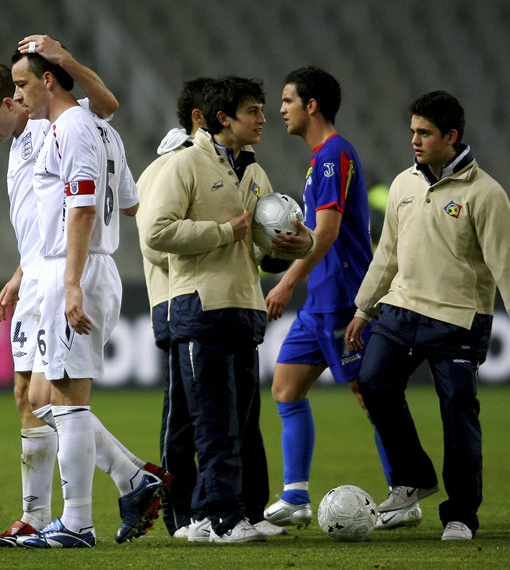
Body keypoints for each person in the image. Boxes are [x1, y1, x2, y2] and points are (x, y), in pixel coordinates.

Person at [0, 36, 167, 549]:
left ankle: (83, 512)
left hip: (66, 271)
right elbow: (62, 212)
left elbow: (82, 197)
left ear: (22, 97)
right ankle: (113, 483)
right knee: (34, 396)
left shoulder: (52, 128)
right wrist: (22, 270)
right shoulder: (56, 131)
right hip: (44, 270)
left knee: (57, 398)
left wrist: (62, 57)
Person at [345, 90, 510, 541]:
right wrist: (364, 307)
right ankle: (413, 479)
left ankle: (461, 515)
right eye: (413, 132)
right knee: (375, 383)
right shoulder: (403, 184)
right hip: (400, 310)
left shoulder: (486, 194)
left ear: (452, 136)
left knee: (458, 414)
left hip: (458, 320)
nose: (415, 141)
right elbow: (386, 255)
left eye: (425, 133)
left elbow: (508, 268)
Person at [144, 76, 314, 543]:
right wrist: (223, 231)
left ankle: (234, 512)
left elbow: (263, 250)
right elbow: (155, 234)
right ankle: (217, 517)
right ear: (223, 119)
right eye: (254, 111)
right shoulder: (183, 164)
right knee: (212, 424)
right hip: (199, 307)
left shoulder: (255, 173)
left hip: (244, 307)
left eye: (263, 110)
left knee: (240, 423)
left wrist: (299, 245)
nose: (264, 120)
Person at [260, 66, 408, 529]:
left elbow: (326, 234)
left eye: (287, 100)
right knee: (285, 386)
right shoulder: (319, 160)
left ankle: (403, 494)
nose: (280, 110)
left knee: (369, 395)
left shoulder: (333, 156)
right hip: (319, 301)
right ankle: (295, 497)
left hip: (344, 295)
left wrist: (285, 281)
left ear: (312, 105)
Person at [135, 78, 209, 538]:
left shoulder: (205, 164)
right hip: (173, 303)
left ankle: (219, 508)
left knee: (205, 413)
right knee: (181, 414)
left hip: (202, 301)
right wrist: (215, 240)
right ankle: (180, 513)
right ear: (202, 117)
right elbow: (154, 243)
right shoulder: (170, 165)